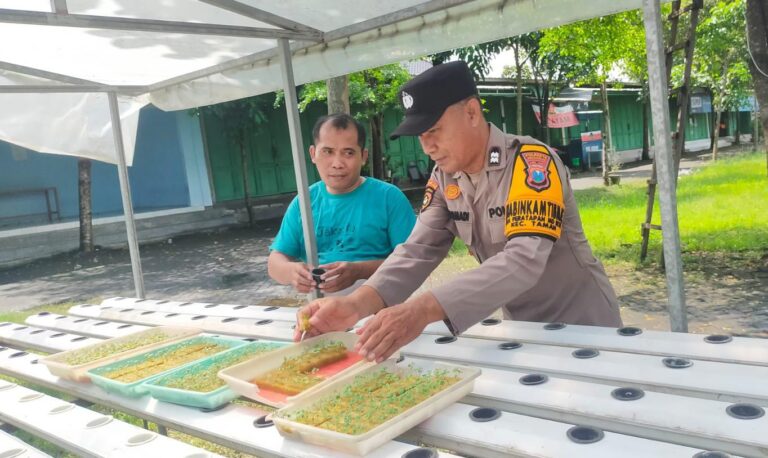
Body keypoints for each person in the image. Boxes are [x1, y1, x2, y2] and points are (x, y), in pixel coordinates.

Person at [295, 61, 622, 361]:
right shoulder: (444, 178)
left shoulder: (531, 162)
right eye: (420, 135)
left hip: (584, 325)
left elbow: (523, 260)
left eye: (434, 130)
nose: (427, 146)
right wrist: (354, 305)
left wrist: (423, 309)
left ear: (471, 113)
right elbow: (417, 249)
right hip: (522, 328)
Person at [268, 113, 416, 295]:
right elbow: (275, 261)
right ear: (313, 154)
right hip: (321, 306)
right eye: (328, 152)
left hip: (383, 305)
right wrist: (291, 272)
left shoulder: (389, 198)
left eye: (348, 153)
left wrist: (359, 271)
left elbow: (412, 262)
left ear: (363, 156)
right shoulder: (304, 202)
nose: (337, 164)